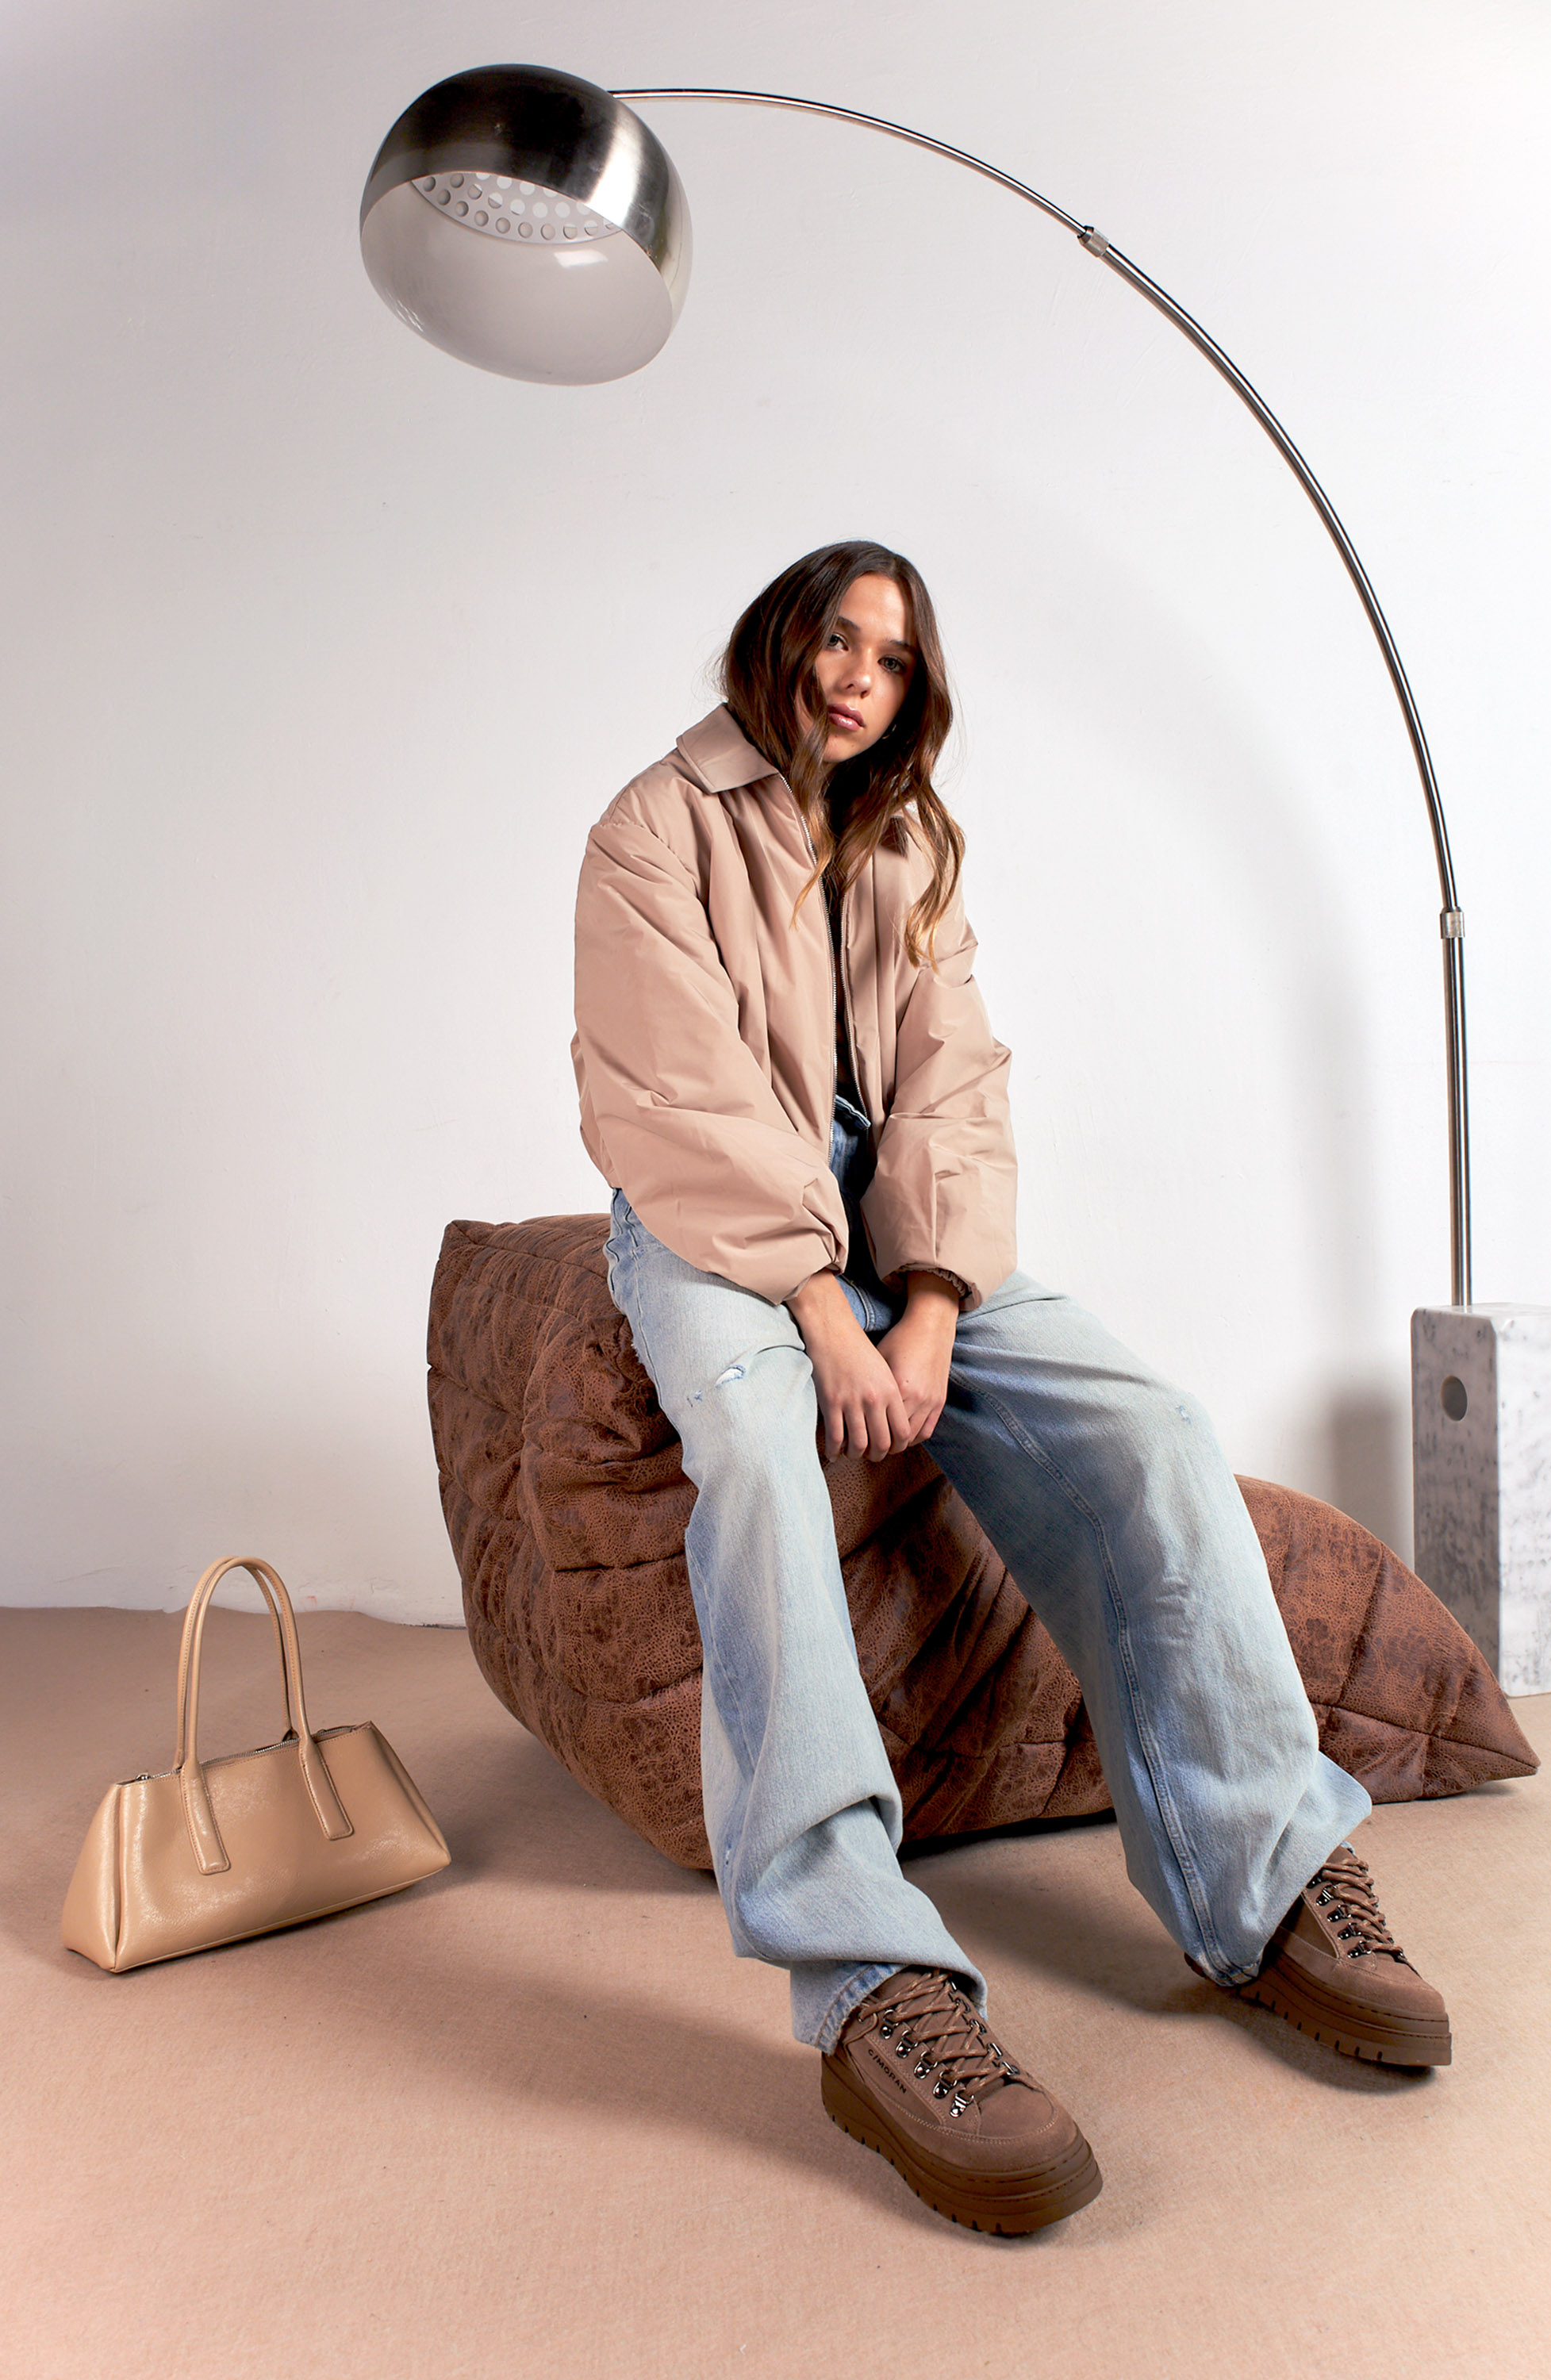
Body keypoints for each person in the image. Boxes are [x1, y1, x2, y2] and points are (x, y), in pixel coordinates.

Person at [570, 539, 1450, 2236]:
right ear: (777, 641)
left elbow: (952, 1091)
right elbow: (674, 1098)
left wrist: (932, 1306)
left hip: (893, 1223)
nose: (858, 676)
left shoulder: (909, 844)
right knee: (755, 1446)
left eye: (893, 657)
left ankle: (1261, 1877)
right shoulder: (651, 827)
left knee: (1154, 1428)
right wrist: (821, 1311)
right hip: (700, 1222)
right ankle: (866, 1980)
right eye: (836, 637)